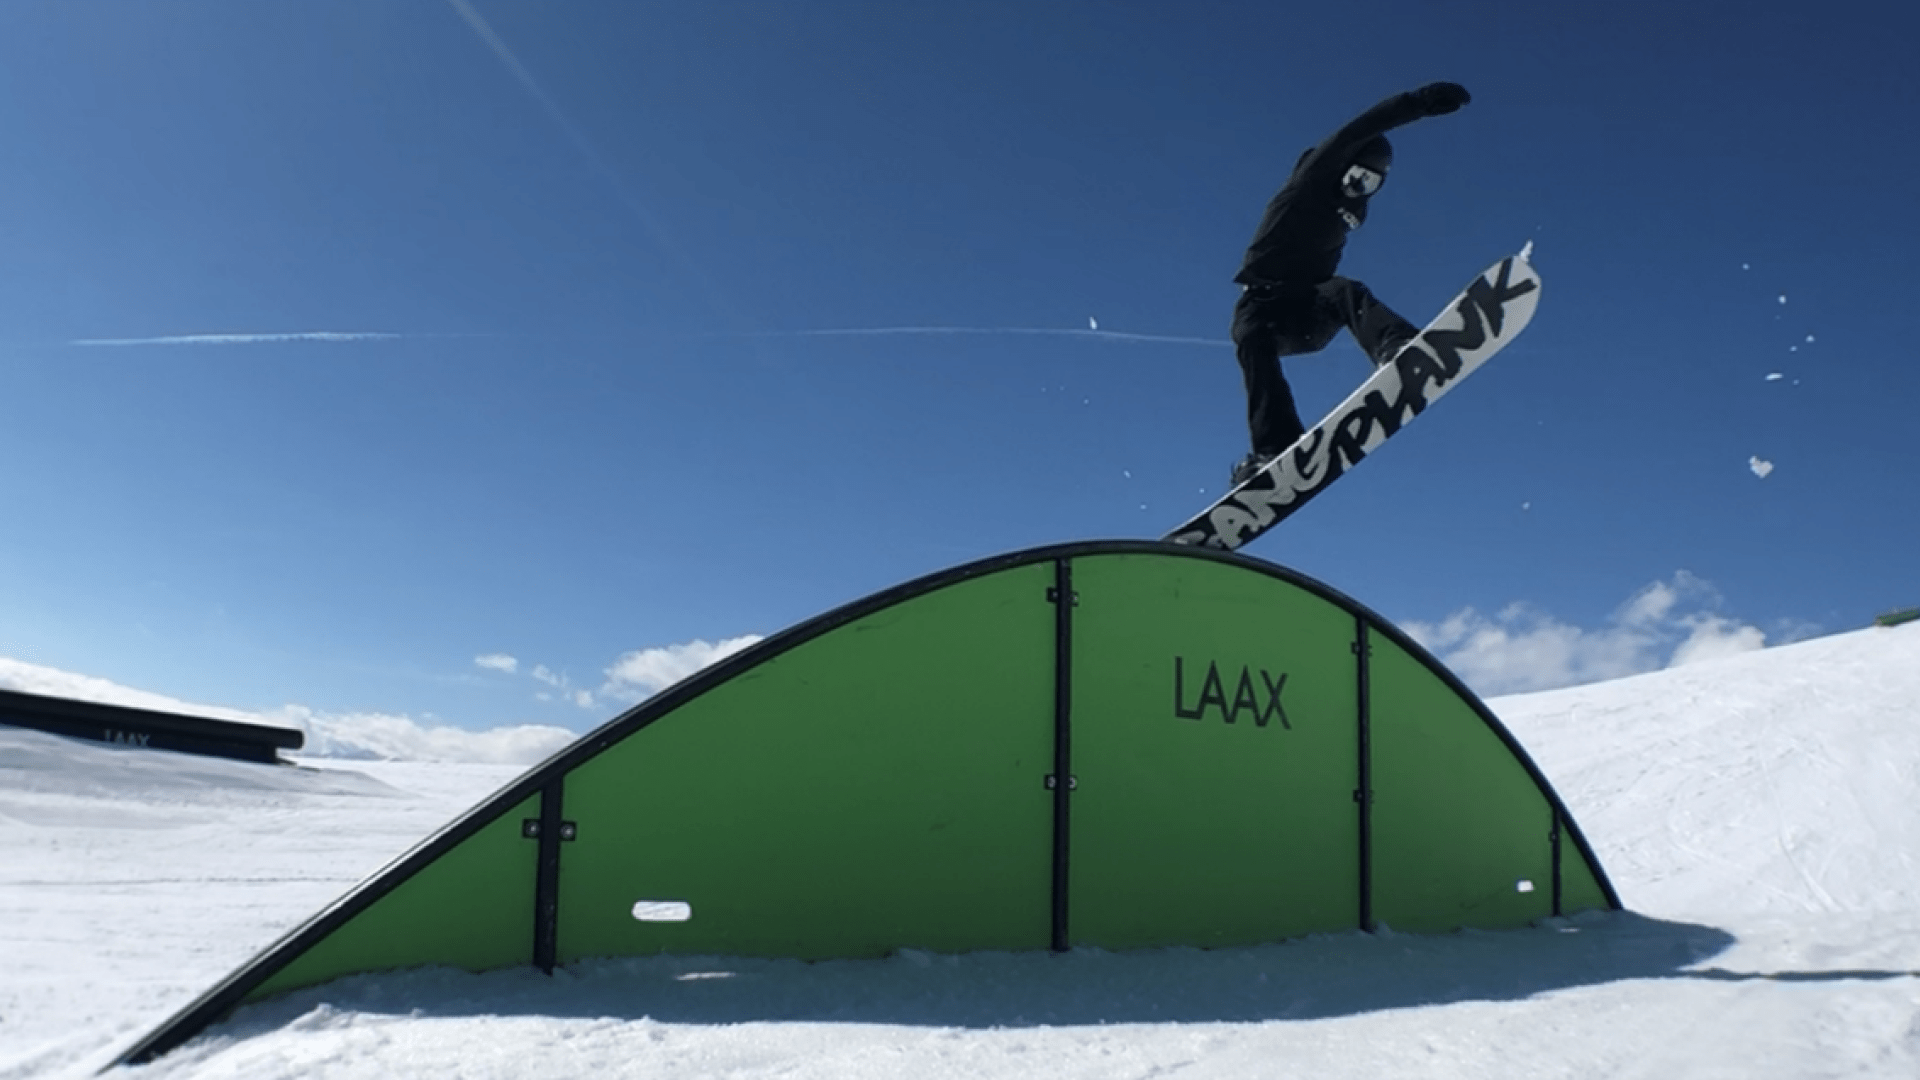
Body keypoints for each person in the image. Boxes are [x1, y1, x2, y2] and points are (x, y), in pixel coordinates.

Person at [1228, 81, 1473, 486]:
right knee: (1252, 340)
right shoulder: (1311, 183)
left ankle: (1397, 346)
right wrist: (1418, 103)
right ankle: (1274, 449)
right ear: (1340, 167)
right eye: (1356, 177)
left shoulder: (1350, 213)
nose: (1357, 190)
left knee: (1344, 290)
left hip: (1307, 315)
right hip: (1263, 309)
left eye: (1370, 184)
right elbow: (1356, 131)